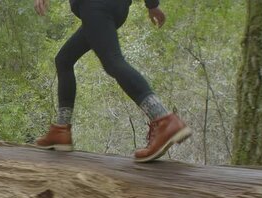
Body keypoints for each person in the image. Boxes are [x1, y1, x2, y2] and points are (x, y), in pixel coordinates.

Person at [33, 0, 191, 162]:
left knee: (113, 62)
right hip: (115, 7)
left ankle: (164, 119)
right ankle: (61, 130)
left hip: (95, 6)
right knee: (64, 59)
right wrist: (152, 5)